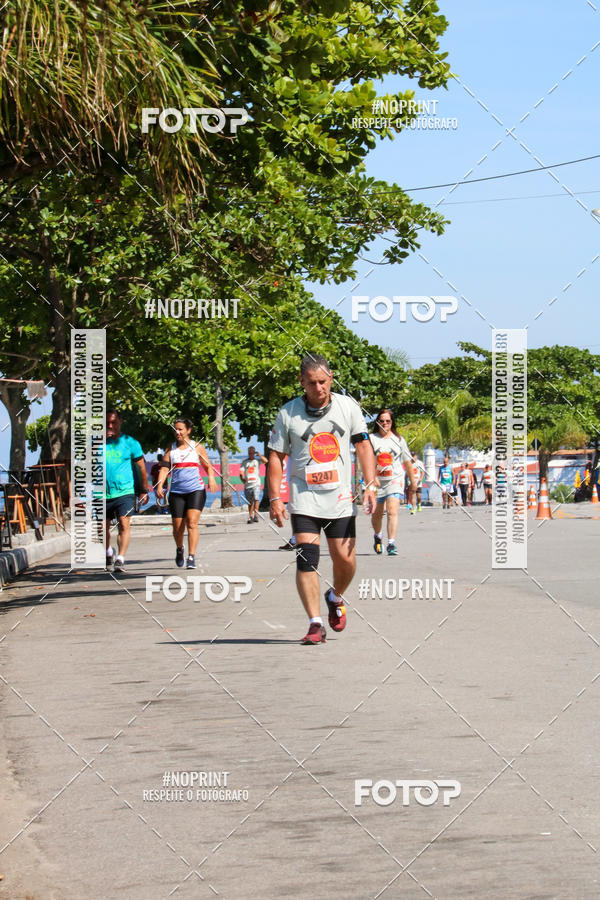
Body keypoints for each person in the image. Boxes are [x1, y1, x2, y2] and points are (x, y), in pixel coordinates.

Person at [268, 353, 376, 645]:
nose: (318, 388)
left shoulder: (347, 406)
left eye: (323, 381)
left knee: (345, 560)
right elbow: (276, 457)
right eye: (312, 383)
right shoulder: (288, 413)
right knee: (307, 559)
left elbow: (363, 446)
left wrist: (370, 483)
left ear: (331, 377)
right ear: (302, 382)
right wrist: (275, 497)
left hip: (340, 497)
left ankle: (335, 596)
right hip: (304, 497)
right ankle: (315, 623)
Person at [156, 418, 218, 569]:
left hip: (196, 490)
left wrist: (211, 478)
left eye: (180, 429)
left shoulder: (197, 447)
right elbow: (164, 469)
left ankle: (191, 556)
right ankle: (179, 549)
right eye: (175, 429)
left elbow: (208, 466)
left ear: (188, 430)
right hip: (177, 492)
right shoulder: (171, 449)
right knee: (178, 527)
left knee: (192, 522)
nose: (177, 432)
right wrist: (160, 485)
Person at [105, 409, 149, 573]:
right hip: (101, 493)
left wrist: (143, 490)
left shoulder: (131, 443)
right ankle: (109, 552)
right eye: (107, 423)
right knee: (102, 528)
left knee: (124, 523)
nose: (110, 426)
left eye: (113, 422)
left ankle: (120, 559)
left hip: (125, 491)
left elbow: (142, 468)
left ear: (120, 422)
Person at [370, 408, 416, 552]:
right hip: (377, 482)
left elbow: (407, 462)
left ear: (392, 422)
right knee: (377, 515)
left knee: (392, 511)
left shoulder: (399, 440)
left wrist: (413, 483)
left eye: (388, 421)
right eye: (382, 421)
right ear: (378, 422)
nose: (385, 423)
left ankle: (391, 543)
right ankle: (378, 536)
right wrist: (371, 478)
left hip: (395, 479)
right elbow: (367, 460)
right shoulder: (371, 439)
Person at [240, 446, 267, 524]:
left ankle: (256, 515)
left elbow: (266, 461)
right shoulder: (245, 462)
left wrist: (259, 455)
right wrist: (242, 479)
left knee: (256, 499)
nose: (251, 454)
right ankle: (250, 516)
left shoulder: (257, 461)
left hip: (256, 484)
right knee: (250, 502)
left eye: (252, 453)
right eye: (249, 453)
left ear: (254, 453)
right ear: (248, 453)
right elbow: (241, 472)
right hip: (248, 485)